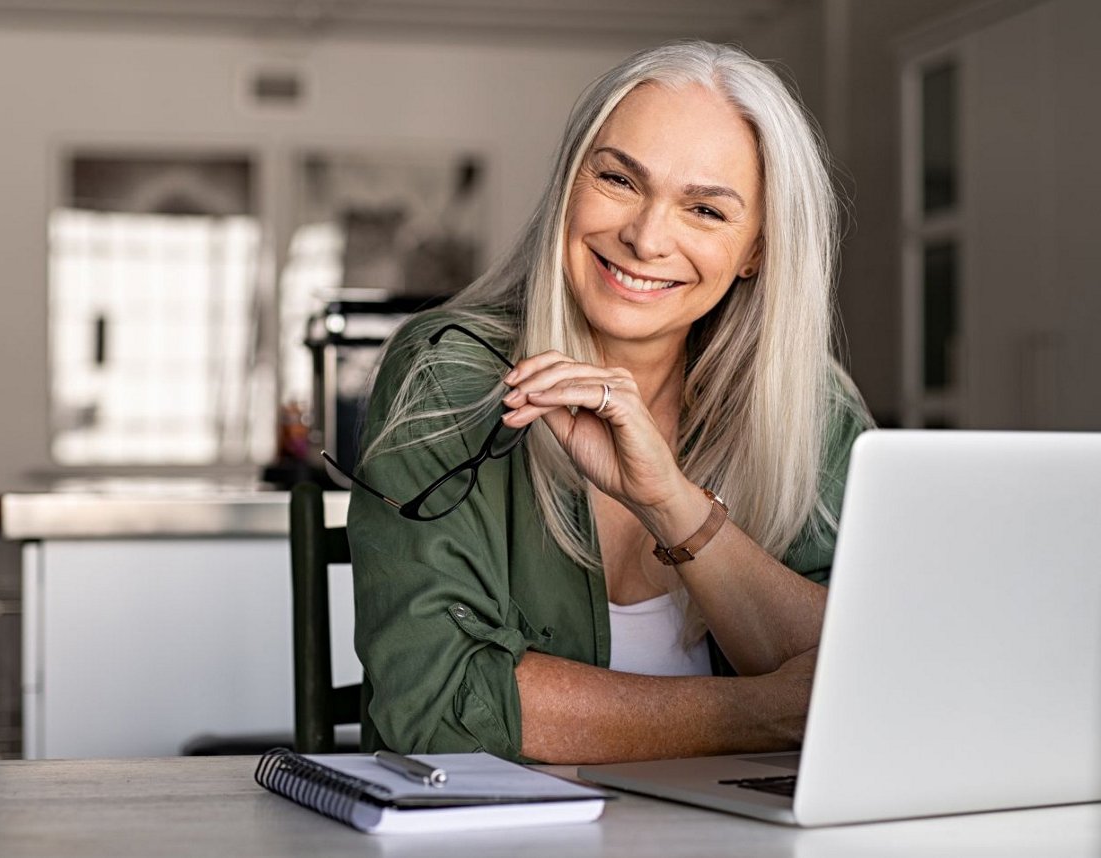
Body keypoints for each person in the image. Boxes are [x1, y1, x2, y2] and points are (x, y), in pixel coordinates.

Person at [335, 40, 874, 764]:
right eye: (619, 178)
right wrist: (760, 712)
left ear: (757, 251)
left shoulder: (810, 407)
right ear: (569, 182)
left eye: (706, 211)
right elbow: (436, 707)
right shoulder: (451, 372)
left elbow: (876, 675)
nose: (646, 237)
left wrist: (672, 504)